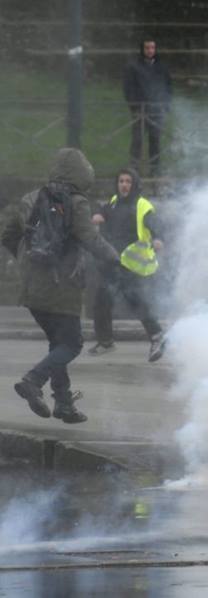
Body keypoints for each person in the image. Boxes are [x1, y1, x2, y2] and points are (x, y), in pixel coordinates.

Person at [0, 148, 121, 424]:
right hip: (61, 287)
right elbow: (91, 239)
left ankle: (64, 403)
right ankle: (33, 381)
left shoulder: (31, 198)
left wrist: (25, 262)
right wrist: (117, 260)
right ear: (82, 173)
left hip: (31, 287)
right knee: (72, 343)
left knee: (58, 343)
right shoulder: (76, 202)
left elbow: (8, 234)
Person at [87, 168, 167, 362]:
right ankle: (106, 341)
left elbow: (156, 224)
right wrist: (97, 214)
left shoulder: (142, 204)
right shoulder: (114, 203)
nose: (124, 185)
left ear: (134, 184)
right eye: (121, 181)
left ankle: (157, 335)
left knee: (134, 299)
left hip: (132, 263)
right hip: (114, 261)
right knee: (102, 300)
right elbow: (99, 208)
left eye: (128, 181)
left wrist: (158, 238)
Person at [123, 38, 172, 176]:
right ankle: (134, 168)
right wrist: (134, 106)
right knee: (137, 140)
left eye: (152, 48)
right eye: (147, 48)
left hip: (156, 109)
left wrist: (166, 105)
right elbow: (128, 88)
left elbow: (168, 87)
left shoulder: (162, 67)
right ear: (142, 49)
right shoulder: (133, 67)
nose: (150, 51)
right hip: (140, 109)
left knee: (155, 140)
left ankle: (155, 169)